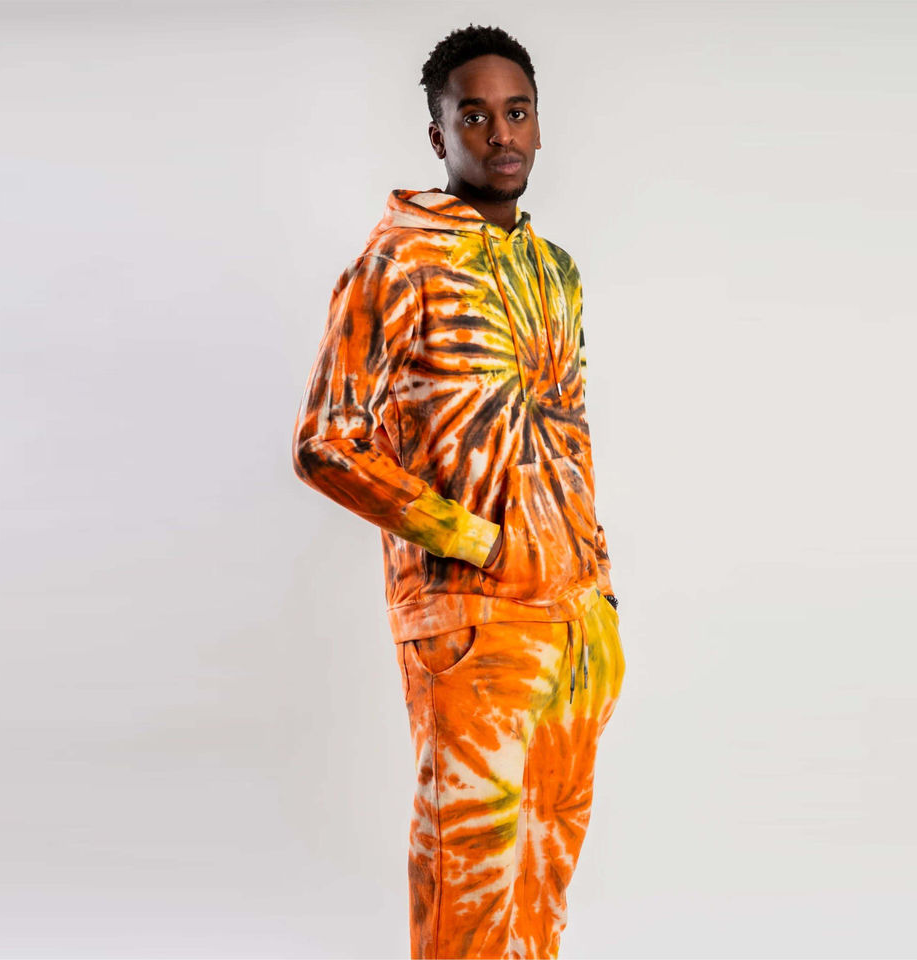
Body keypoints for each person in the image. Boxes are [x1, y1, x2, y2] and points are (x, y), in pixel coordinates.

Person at [292, 23, 626, 960]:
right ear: (440, 136)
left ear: (539, 125)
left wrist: (598, 587)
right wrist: (473, 540)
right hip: (472, 624)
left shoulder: (557, 270)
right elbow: (324, 444)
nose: (501, 133)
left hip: (577, 622)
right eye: (474, 117)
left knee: (542, 887)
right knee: (468, 890)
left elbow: (565, 432)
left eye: (517, 112)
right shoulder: (397, 261)